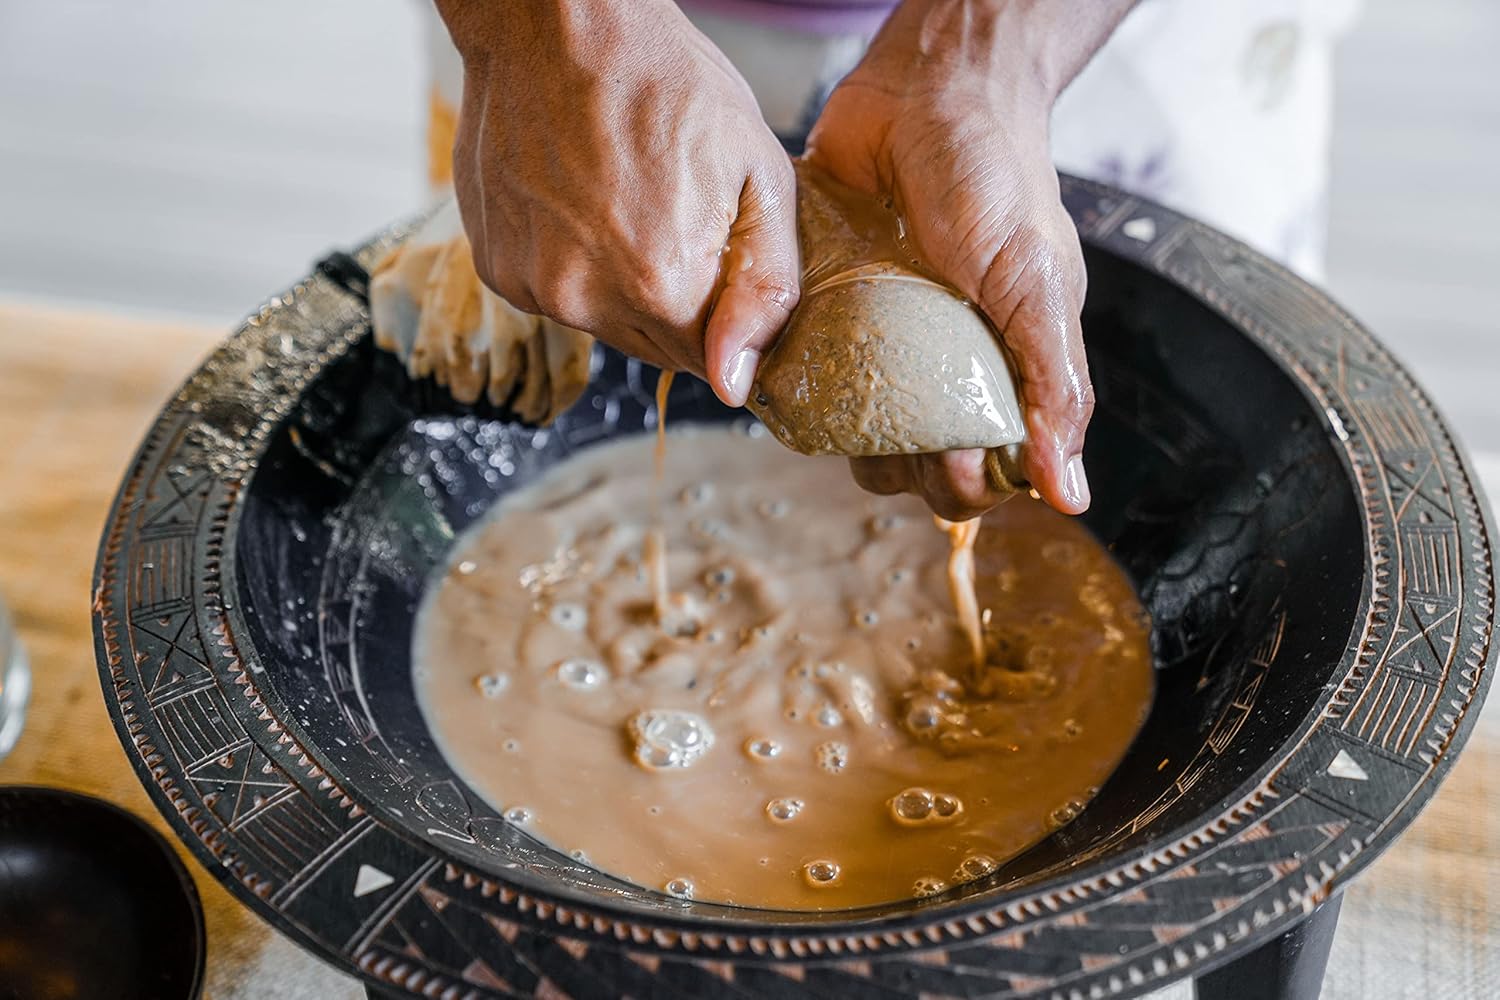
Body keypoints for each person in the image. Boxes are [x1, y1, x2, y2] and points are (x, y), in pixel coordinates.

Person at [421, 0, 1358, 520]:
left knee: (1221, 476)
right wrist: (546, 29)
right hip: (608, 50)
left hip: (1115, 38)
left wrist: (987, 47)